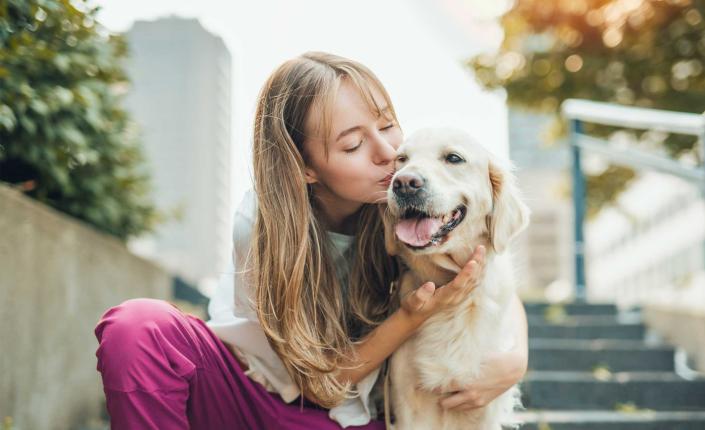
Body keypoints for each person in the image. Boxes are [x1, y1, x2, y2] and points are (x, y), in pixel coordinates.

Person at [94, 51, 528, 429]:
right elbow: (321, 383)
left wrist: (516, 359)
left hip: (346, 419)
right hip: (248, 396)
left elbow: (484, 270)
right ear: (306, 168)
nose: (386, 155)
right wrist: (409, 317)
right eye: (354, 144)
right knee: (138, 326)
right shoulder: (263, 224)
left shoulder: (410, 211)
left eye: (387, 126)